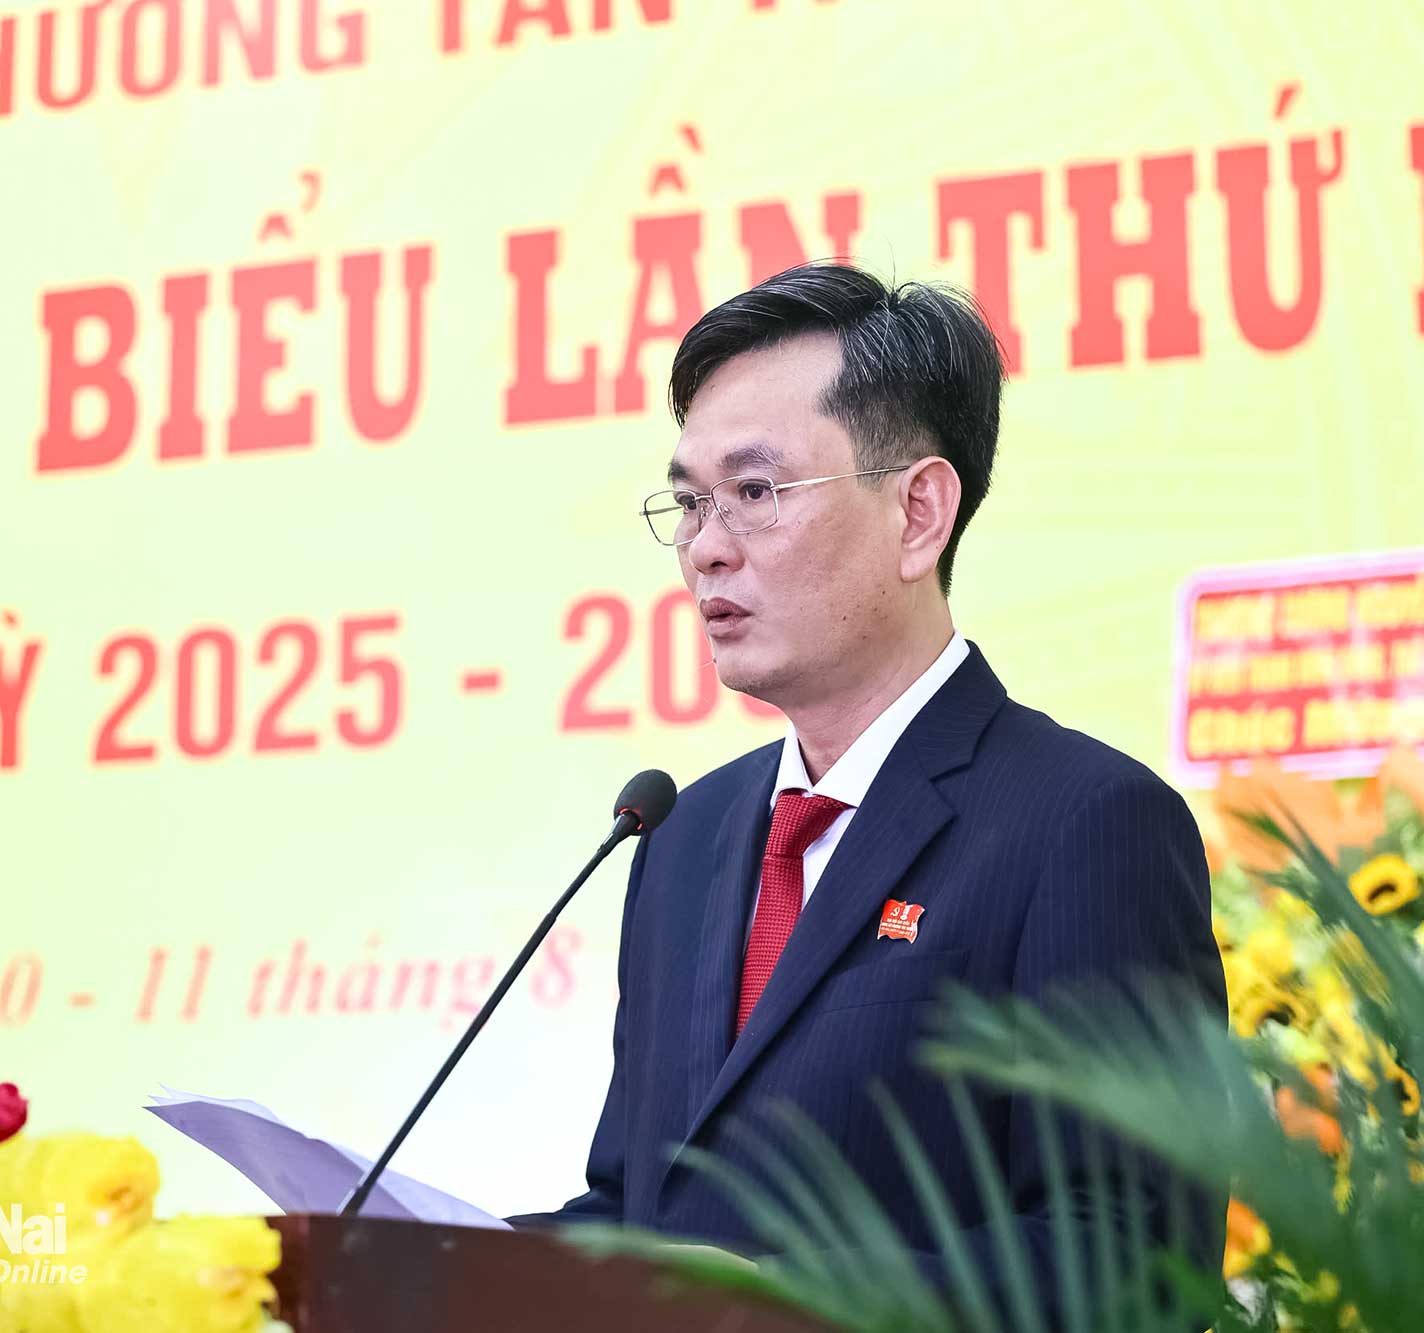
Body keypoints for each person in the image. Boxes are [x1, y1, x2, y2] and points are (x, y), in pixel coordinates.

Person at [509, 262, 1226, 1310]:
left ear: (918, 512)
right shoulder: (679, 832)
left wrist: (781, 1300)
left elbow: (1131, 1257)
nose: (704, 550)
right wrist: (414, 1256)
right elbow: (634, 1211)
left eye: (753, 494)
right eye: (688, 504)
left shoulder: (1082, 822)